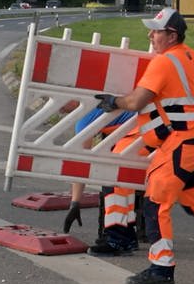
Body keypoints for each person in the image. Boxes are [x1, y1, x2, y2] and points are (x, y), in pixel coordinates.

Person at [94, 7, 194, 284]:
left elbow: (136, 102)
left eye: (156, 31)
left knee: (156, 201)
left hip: (182, 142)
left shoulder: (164, 62)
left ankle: (161, 267)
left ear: (171, 35)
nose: (150, 35)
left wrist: (114, 102)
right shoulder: (191, 57)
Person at [61, 106, 147, 255]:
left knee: (112, 179)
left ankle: (118, 240)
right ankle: (127, 236)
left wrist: (75, 202)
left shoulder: (85, 118)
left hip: (142, 133)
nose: (60, 109)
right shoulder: (98, 105)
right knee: (122, 186)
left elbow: (82, 163)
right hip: (148, 129)